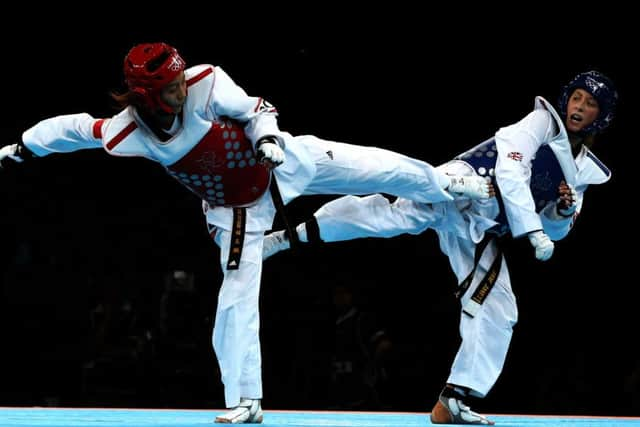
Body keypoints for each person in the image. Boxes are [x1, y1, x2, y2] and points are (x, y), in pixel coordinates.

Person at [0, 42, 492, 423]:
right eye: (169, 87)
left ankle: (455, 182)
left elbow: (255, 110)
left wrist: (270, 141)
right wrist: (23, 147)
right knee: (236, 293)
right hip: (237, 209)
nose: (180, 90)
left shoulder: (207, 82)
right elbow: (73, 129)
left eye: (179, 79)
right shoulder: (127, 134)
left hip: (282, 164)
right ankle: (245, 398)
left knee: (382, 168)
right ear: (146, 96)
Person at [262, 70, 618, 424]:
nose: (579, 107)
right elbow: (510, 174)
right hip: (461, 185)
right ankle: (287, 236)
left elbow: (559, 232)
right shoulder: (541, 122)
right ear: (566, 100)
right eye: (577, 98)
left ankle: (455, 398)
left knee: (499, 306)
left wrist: (561, 212)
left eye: (589, 105)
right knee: (392, 216)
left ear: (600, 117)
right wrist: (533, 233)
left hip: (480, 228)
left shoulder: (585, 170)